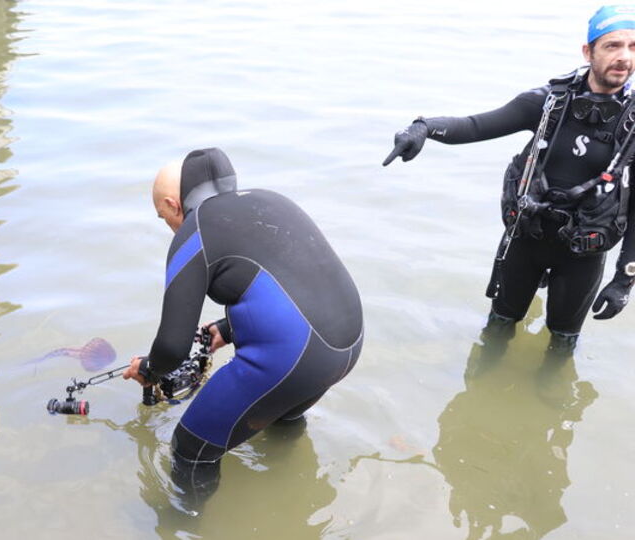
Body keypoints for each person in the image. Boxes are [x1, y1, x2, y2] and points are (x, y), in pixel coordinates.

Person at [383, 5, 635, 351]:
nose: (624, 57)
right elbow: (476, 125)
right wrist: (423, 128)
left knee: (562, 346)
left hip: (582, 254)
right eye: (612, 46)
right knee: (497, 331)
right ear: (588, 51)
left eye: (633, 47)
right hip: (525, 239)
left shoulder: (632, 123)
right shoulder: (549, 102)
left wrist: (624, 280)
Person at [122, 147, 363, 504]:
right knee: (281, 413)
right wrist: (228, 328)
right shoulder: (272, 200)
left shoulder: (194, 230)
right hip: (348, 344)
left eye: (164, 217)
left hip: (295, 358)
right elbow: (294, 284)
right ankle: (292, 499)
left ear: (174, 205)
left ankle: (184, 526)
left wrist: (150, 369)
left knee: (190, 448)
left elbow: (172, 347)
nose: (170, 226)